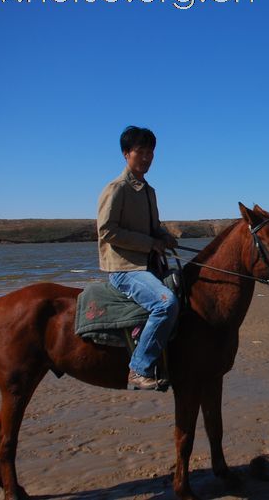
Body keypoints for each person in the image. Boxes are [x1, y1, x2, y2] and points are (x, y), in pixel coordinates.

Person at [97, 126, 179, 390]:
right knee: (166, 303)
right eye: (140, 152)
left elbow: (153, 227)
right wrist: (150, 243)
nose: (146, 157)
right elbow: (107, 231)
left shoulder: (148, 191)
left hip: (147, 264)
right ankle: (139, 368)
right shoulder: (117, 188)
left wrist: (164, 236)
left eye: (150, 152)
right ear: (126, 154)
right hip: (125, 268)